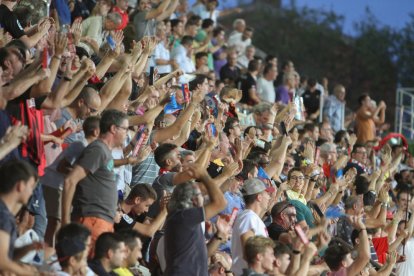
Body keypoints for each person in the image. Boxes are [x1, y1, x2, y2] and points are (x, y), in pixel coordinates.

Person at [62, 109, 129, 250]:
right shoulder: (98, 149)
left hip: (100, 221)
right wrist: (65, 221)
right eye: (125, 129)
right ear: (113, 129)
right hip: (91, 220)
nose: (127, 134)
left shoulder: (104, 151)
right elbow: (70, 180)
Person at [43, 116, 100, 247]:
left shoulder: (87, 146)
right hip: (54, 183)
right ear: (96, 132)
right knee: (54, 222)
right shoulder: (80, 145)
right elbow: (61, 166)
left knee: (55, 222)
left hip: (59, 185)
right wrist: (81, 175)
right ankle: (48, 251)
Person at [164, 165, 227, 276]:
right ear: (194, 200)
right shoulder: (185, 217)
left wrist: (219, 235)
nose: (204, 197)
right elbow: (220, 203)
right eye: (201, 195)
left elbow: (202, 254)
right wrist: (203, 175)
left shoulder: (185, 219)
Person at [0, 160, 39, 275]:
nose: (32, 192)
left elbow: (7, 255)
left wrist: (28, 248)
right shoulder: (3, 216)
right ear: (20, 186)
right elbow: (2, 261)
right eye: (31, 186)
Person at [231, 178, 274, 275]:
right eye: (267, 194)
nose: (269, 197)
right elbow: (249, 251)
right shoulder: (248, 217)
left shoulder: (251, 217)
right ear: (259, 197)